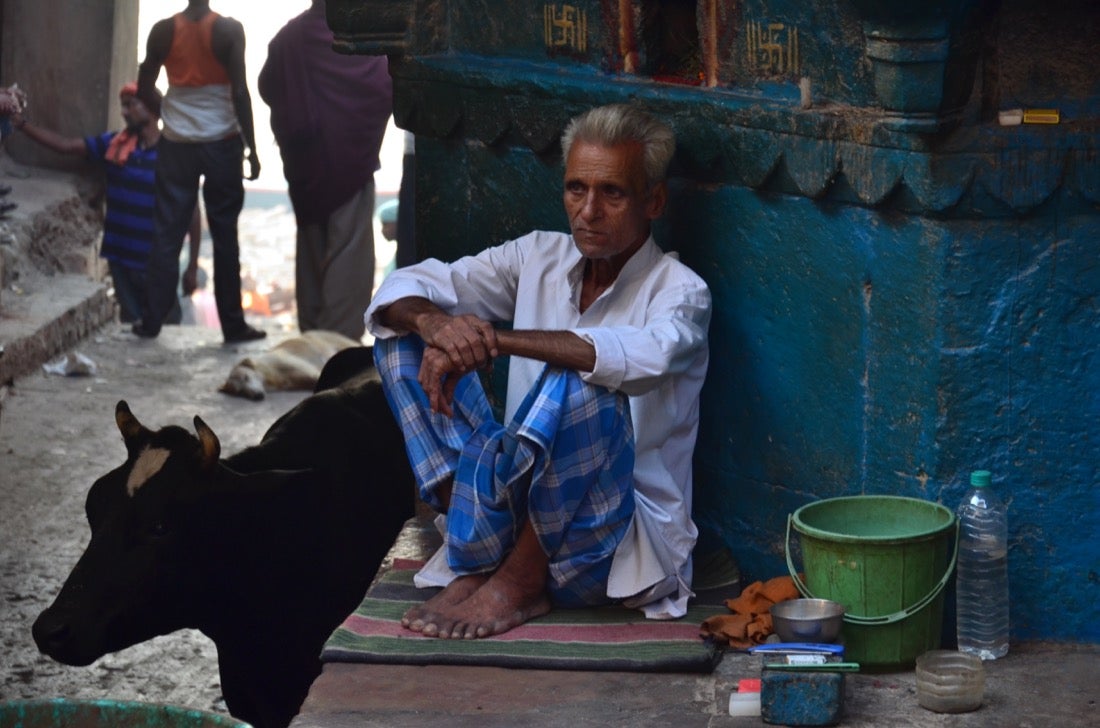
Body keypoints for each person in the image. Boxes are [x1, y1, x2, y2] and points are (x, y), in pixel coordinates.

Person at [365, 103, 712, 640]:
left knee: (584, 378)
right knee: (400, 342)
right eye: (577, 189)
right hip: (505, 516)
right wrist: (437, 325)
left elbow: (628, 358)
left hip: (605, 542)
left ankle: (520, 582)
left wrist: (491, 340)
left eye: (612, 193)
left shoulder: (682, 293)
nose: (588, 211)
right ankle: (479, 556)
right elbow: (405, 288)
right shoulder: (537, 257)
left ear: (653, 201)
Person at [258, 0, 392, 341]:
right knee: (347, 258)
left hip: (305, 165)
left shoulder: (289, 37)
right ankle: (336, 347)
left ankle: (313, 337)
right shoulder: (360, 41)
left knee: (311, 254)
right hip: (350, 161)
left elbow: (266, 85)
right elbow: (384, 87)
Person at [132, 0, 266, 343]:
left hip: (177, 143)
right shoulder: (228, 30)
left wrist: (170, 113)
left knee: (167, 231)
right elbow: (239, 91)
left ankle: (151, 321)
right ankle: (233, 326)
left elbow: (144, 83)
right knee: (225, 236)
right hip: (222, 142)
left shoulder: (164, 30)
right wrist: (251, 147)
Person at [12, 83, 202, 324]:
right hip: (120, 259)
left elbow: (193, 213)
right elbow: (66, 146)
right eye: (123, 106)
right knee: (131, 328)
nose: (124, 112)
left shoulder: (174, 155)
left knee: (166, 329)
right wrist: (21, 125)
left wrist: (192, 267)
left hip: (156, 264)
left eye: (131, 104)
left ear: (153, 109)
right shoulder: (114, 146)